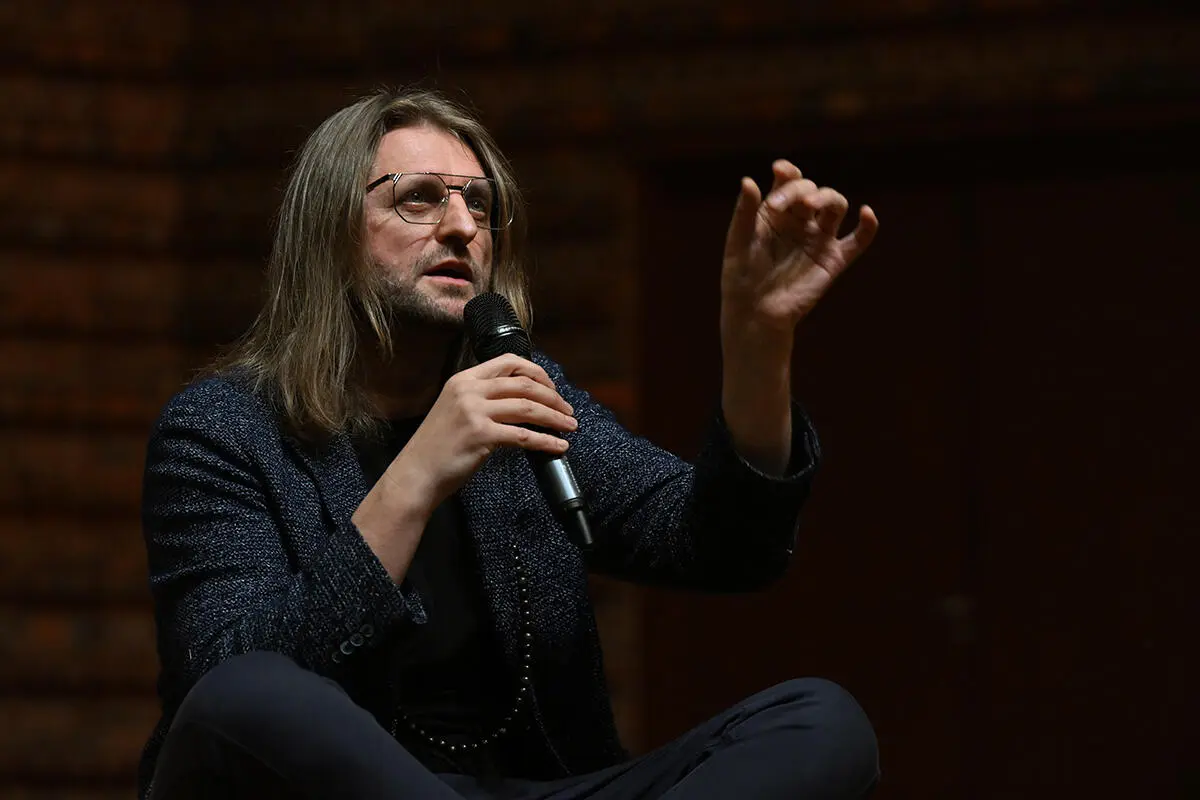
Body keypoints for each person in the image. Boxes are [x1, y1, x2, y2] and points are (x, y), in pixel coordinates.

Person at [138, 87, 881, 799]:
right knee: (248, 689)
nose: (462, 226)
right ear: (328, 234)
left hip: (540, 788)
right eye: (419, 197)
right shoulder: (225, 428)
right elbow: (227, 691)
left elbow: (723, 545)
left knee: (820, 722)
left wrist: (757, 346)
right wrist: (418, 474)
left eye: (480, 205)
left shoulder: (518, 393)